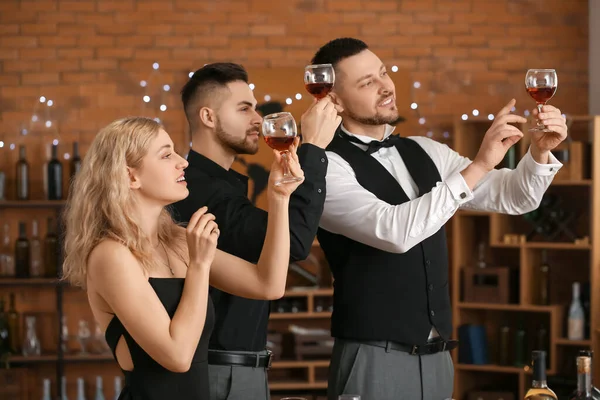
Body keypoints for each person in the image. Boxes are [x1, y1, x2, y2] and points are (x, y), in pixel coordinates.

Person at [310, 38, 568, 400]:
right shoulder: (324, 167)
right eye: (367, 82)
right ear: (333, 100)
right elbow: (393, 231)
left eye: (384, 73)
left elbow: (516, 197)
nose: (386, 87)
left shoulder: (426, 150)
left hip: (438, 357)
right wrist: (478, 165)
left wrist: (539, 152)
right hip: (373, 357)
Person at [61, 116, 305, 400]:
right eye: (166, 155)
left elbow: (268, 285)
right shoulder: (111, 255)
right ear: (130, 176)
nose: (183, 162)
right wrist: (199, 266)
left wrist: (279, 198)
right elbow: (177, 356)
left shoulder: (176, 240)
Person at [171, 62, 341, 400]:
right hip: (221, 375)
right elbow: (293, 243)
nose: (257, 118)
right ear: (208, 117)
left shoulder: (221, 187)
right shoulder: (200, 192)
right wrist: (315, 148)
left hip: (235, 370)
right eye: (244, 107)